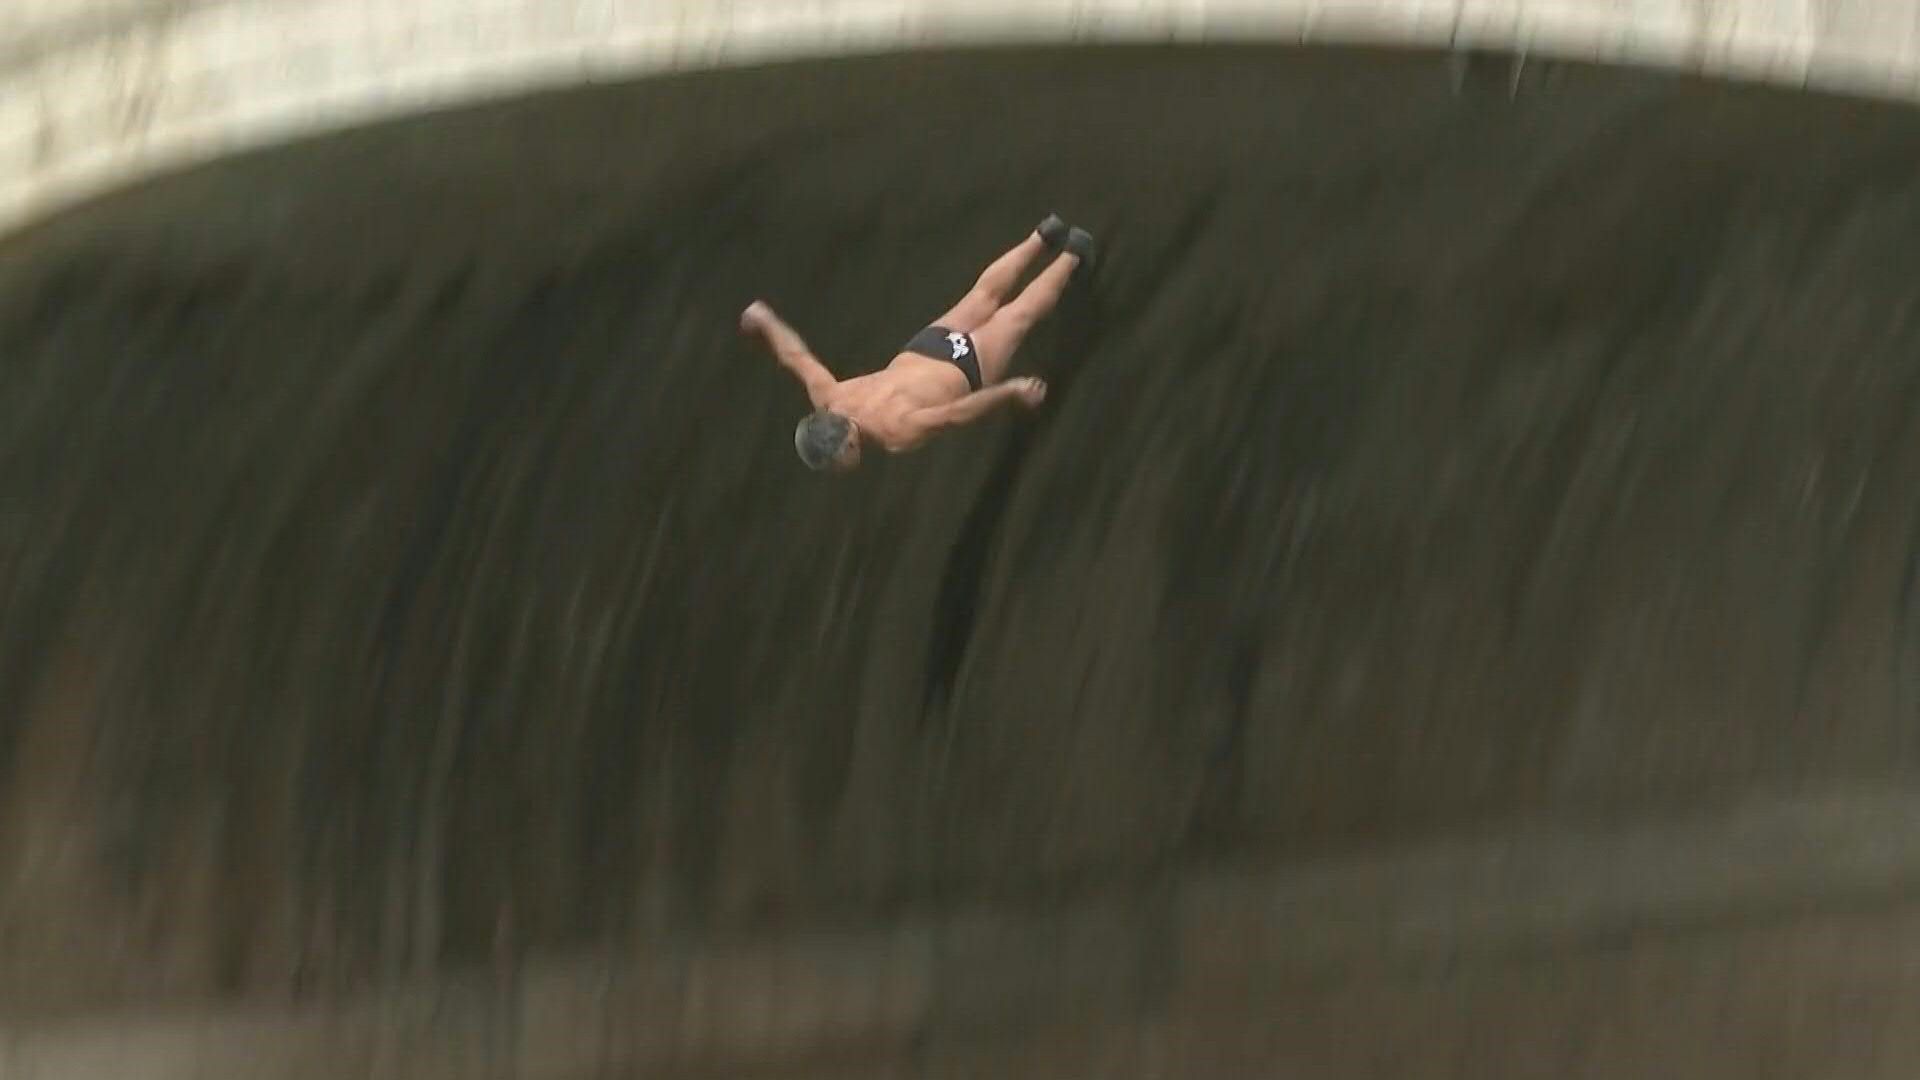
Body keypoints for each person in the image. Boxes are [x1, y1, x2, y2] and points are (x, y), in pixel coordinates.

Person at [741, 214, 1095, 471]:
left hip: (965, 366)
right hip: (924, 347)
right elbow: (795, 356)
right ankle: (1041, 236)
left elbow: (954, 414)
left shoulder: (896, 431)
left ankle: (1073, 253)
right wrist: (765, 320)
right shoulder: (830, 397)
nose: (839, 468)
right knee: (984, 295)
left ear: (847, 443)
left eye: (837, 462)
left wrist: (1010, 390)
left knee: (1018, 315)